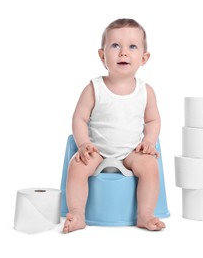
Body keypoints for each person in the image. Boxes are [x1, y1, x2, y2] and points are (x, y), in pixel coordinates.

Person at [63, 18, 165, 233]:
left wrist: (148, 141)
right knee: (77, 166)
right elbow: (79, 118)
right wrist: (83, 144)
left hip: (131, 151)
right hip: (97, 150)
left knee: (150, 167)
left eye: (132, 46)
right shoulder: (94, 88)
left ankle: (145, 214)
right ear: (102, 56)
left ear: (144, 58)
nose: (123, 52)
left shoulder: (146, 91)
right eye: (115, 45)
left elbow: (153, 120)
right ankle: (77, 213)